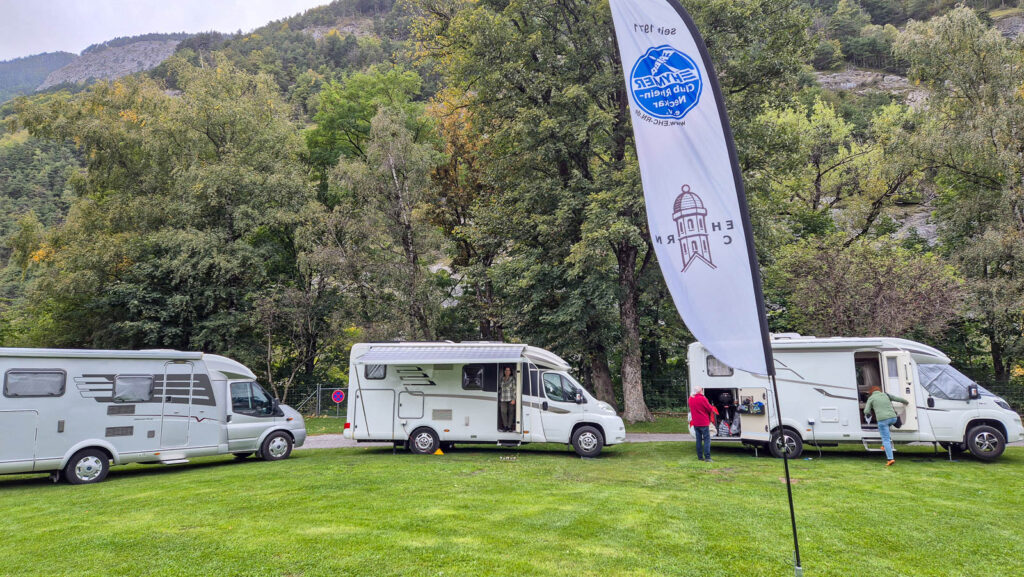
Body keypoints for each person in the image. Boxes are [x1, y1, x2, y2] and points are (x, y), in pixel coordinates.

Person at [863, 386, 909, 466]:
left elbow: (866, 410)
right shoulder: (886, 395)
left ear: (871, 392)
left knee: (886, 439)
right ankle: (884, 446)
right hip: (893, 419)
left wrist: (869, 413)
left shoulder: (871, 398)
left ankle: (890, 459)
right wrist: (906, 402)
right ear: (879, 390)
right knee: (885, 432)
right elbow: (898, 399)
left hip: (883, 420)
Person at [688, 387, 717, 461]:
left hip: (695, 423)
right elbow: (709, 408)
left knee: (698, 440)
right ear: (700, 391)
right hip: (704, 422)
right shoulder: (703, 398)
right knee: (707, 440)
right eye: (702, 390)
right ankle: (707, 457)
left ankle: (700, 457)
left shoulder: (690, 399)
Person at [499, 366, 516, 432]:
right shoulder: (502, 378)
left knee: (511, 413)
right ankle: (505, 426)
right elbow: (500, 388)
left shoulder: (512, 379)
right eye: (506, 370)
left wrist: (513, 399)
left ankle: (509, 427)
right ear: (504, 371)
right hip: (503, 398)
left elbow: (514, 389)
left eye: (508, 370)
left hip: (510, 398)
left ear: (510, 372)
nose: (507, 371)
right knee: (503, 412)